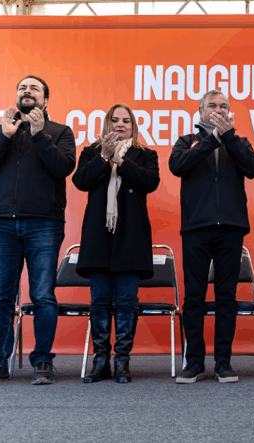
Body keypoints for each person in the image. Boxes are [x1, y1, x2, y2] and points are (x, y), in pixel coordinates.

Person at [0, 75, 76, 386]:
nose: (27, 91)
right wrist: (5, 137)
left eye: (34, 88)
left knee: (42, 295)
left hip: (45, 223)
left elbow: (64, 168)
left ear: (45, 100)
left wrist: (40, 136)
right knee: (0, 297)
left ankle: (42, 361)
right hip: (2, 223)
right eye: (22, 87)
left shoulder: (60, 132)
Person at [169, 90, 254, 383]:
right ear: (200, 113)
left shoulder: (239, 140)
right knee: (194, 297)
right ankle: (194, 361)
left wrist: (229, 136)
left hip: (231, 229)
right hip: (196, 228)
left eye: (223, 106)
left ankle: (223, 361)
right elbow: (177, 166)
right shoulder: (187, 140)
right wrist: (212, 140)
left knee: (227, 297)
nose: (218, 109)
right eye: (212, 105)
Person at [73, 104, 160, 383]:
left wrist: (122, 162)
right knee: (99, 302)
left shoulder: (145, 154)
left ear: (133, 126)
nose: (120, 124)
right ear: (106, 124)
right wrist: (103, 157)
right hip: (99, 235)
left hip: (130, 236)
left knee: (126, 301)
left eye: (126, 121)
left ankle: (122, 360)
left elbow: (150, 182)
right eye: (115, 120)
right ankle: (100, 361)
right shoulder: (91, 151)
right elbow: (80, 182)